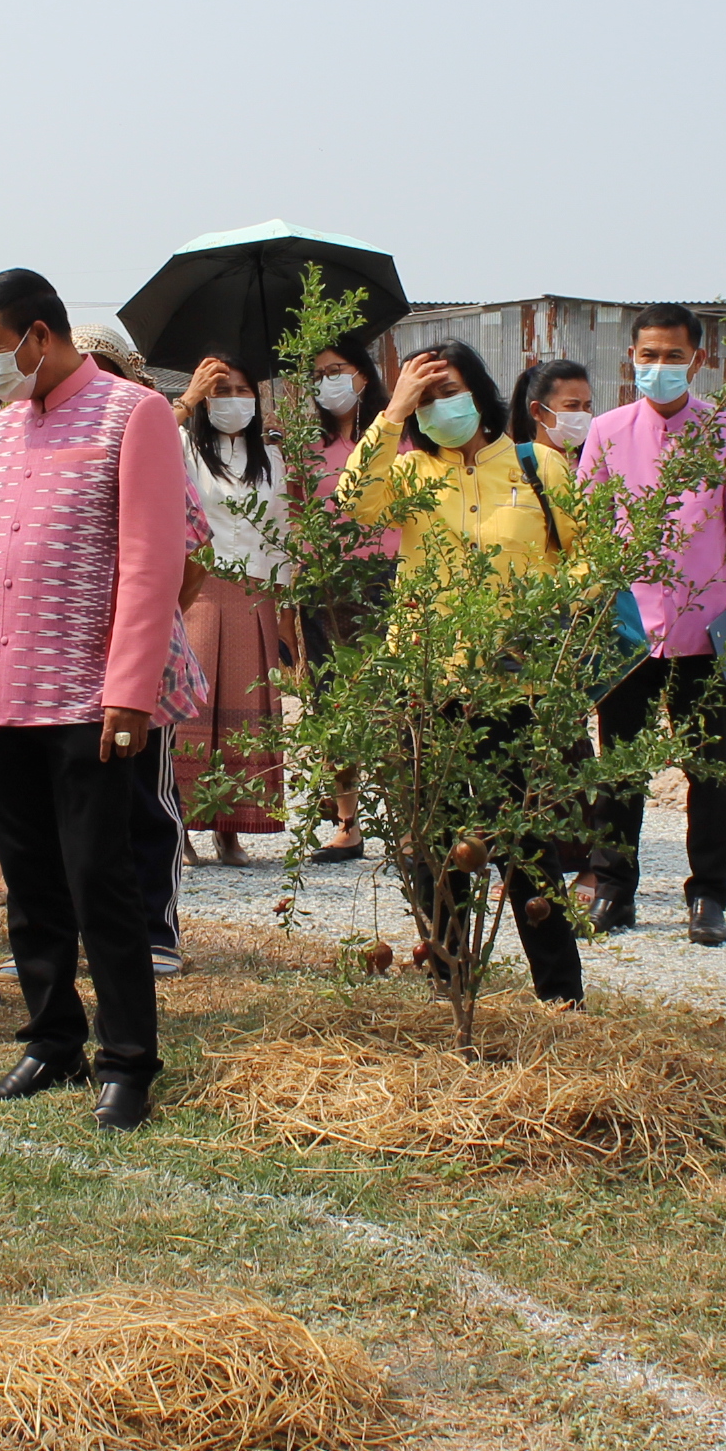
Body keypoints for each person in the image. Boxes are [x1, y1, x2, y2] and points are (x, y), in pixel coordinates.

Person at [0, 268, 204, 1129]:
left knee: (102, 882)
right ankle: (52, 1041)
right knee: (31, 879)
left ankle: (127, 1061)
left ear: (39, 336)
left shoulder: (136, 415)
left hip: (88, 699)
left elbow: (152, 563)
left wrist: (129, 692)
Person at [334, 338, 588, 1008]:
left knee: (529, 848)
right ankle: (454, 987)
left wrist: (552, 619)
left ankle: (560, 996)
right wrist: (392, 415)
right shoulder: (410, 473)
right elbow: (354, 503)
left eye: (451, 390)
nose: (443, 406)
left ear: (480, 392)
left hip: (518, 689)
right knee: (434, 852)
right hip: (425, 686)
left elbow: (587, 559)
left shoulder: (540, 468)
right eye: (428, 395)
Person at [573, 304, 726, 945]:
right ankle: (614, 888)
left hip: (706, 629)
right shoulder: (605, 430)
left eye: (672, 356)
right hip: (625, 628)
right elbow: (589, 532)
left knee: (709, 767)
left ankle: (709, 895)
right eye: (648, 355)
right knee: (619, 765)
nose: (659, 367)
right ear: (631, 358)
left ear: (698, 360)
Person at [75, 322, 195, 973]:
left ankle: (155, 928)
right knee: (70, 795)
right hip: (69, 651)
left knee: (146, 794)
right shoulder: (56, 443)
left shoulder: (157, 441)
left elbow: (190, 550)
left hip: (144, 648)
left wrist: (154, 613)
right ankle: (70, 926)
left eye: (105, 369)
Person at [169, 353, 294, 869]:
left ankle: (231, 828)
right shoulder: (184, 448)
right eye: (221, 391)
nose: (233, 401)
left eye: (242, 390)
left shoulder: (272, 457)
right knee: (194, 708)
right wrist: (189, 397)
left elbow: (283, 531)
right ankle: (182, 828)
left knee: (247, 711)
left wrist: (284, 609)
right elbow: (147, 436)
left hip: (256, 593)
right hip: (198, 587)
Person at [301, 337, 393, 861]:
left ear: (362, 375)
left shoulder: (399, 437)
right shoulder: (304, 445)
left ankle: (408, 817)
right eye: (317, 376)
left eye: (336, 370)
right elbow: (292, 515)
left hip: (389, 578)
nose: (328, 383)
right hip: (325, 586)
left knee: (398, 702)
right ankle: (348, 823)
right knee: (332, 704)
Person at [509, 358, 595, 460]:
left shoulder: (597, 464)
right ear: (537, 411)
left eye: (587, 406)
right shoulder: (517, 465)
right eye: (572, 405)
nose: (582, 414)